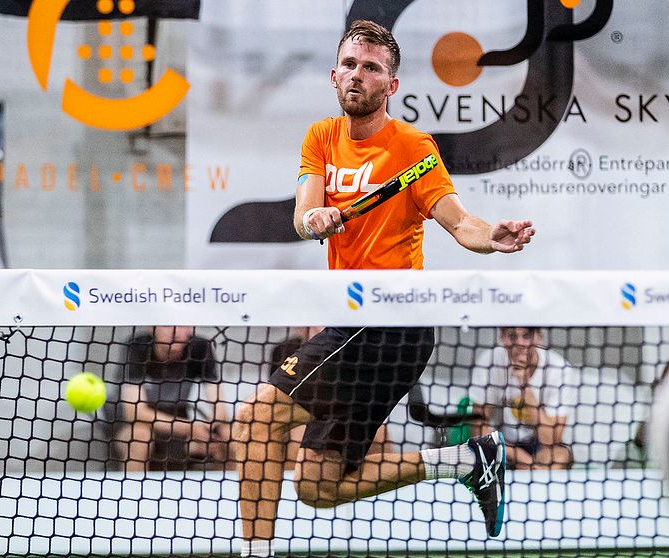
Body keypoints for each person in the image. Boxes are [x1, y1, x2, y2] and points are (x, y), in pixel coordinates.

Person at [233, 20, 535, 557]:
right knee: (316, 487)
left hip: (394, 322)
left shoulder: (413, 147)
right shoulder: (320, 138)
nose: (358, 74)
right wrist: (316, 218)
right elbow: (304, 216)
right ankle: (466, 459)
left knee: (259, 415)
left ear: (390, 86)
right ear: (334, 76)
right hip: (352, 321)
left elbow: (460, 223)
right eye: (350, 64)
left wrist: (494, 236)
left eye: (372, 68)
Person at [269, 327, 392, 471]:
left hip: (346, 406)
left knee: (381, 435)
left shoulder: (353, 343)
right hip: (303, 410)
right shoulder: (284, 350)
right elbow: (278, 392)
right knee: (296, 436)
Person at [113, 326, 231, 471]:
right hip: (140, 426)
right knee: (139, 438)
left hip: (180, 422)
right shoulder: (136, 347)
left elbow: (220, 409)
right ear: (152, 328)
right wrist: (191, 428)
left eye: (182, 324)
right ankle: (131, 493)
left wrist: (209, 433)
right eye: (167, 325)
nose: (176, 332)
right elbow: (135, 413)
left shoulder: (201, 347)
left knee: (230, 437)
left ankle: (226, 492)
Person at [469, 327, 576, 470]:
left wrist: (525, 386)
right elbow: (478, 427)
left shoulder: (559, 369)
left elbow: (550, 440)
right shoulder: (489, 362)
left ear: (539, 338)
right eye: (512, 336)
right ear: (502, 338)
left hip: (539, 448)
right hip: (500, 446)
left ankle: (537, 482)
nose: (520, 344)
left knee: (561, 456)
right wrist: (516, 455)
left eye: (527, 336)